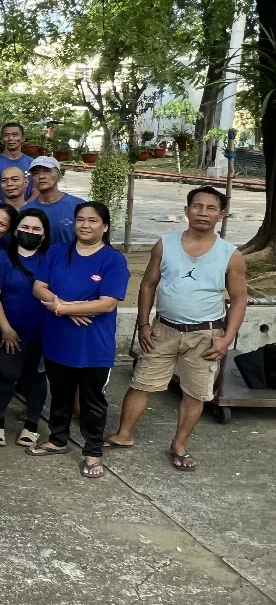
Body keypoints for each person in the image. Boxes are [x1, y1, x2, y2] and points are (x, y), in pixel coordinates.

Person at [108, 187, 246, 470]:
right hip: (163, 330)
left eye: (211, 208)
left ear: (221, 215)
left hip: (206, 335)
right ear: (186, 211)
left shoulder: (230, 255)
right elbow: (147, 285)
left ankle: (179, 445)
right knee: (140, 384)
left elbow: (239, 298)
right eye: (197, 206)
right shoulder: (165, 244)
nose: (203, 213)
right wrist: (144, 323)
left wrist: (227, 338)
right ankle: (123, 435)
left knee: (194, 393)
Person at [28, 201, 130, 479]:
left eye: (93, 221)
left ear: (105, 226)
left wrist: (63, 309)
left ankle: (93, 451)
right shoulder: (58, 252)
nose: (85, 225)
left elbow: (107, 303)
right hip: (58, 339)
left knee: (92, 400)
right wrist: (64, 307)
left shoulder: (113, 260)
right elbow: (39, 287)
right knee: (59, 393)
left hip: (93, 345)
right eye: (80, 220)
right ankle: (57, 439)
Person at [0, 208, 52, 447]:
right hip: (9, 332)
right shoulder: (1, 258)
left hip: (44, 332)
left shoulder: (51, 258)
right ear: (15, 230)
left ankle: (31, 425)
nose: (29, 232)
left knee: (36, 378)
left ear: (44, 235)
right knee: (6, 375)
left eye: (36, 229)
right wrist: (5, 328)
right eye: (25, 227)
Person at [25, 156, 84, 243]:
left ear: (59, 176)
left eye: (47, 171)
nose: (41, 176)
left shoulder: (78, 206)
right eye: (36, 173)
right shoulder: (26, 210)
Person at [0, 123, 34, 205]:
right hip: (2, 212)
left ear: (22, 139)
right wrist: (5, 211)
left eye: (15, 135)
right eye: (6, 135)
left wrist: (24, 208)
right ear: (2, 140)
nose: (10, 138)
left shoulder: (32, 163)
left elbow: (36, 191)